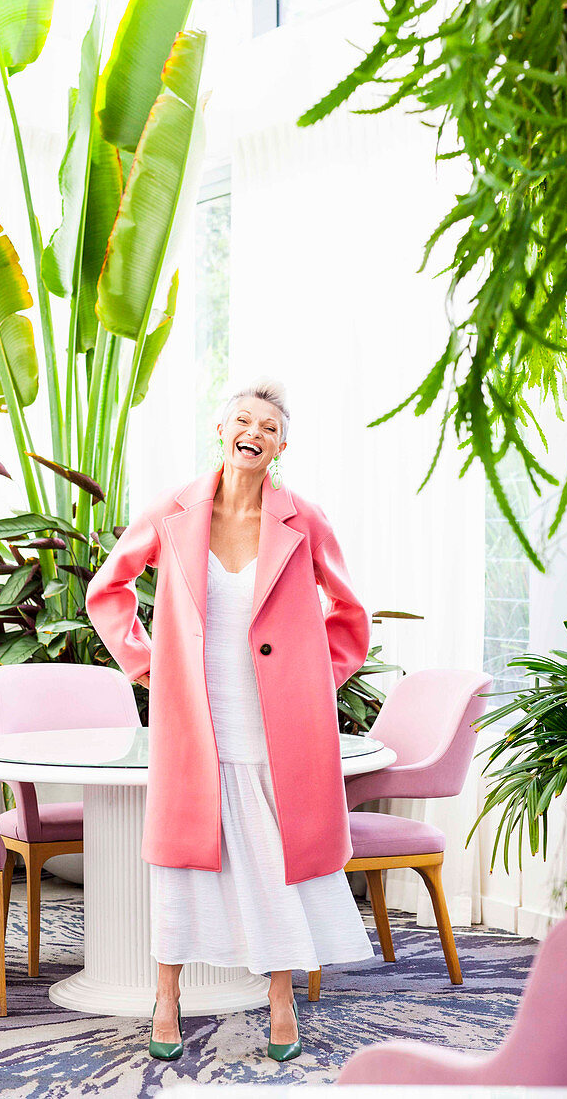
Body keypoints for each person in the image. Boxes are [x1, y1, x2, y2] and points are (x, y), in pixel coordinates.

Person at [85, 377, 374, 1062]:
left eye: (268, 426)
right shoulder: (173, 510)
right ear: (222, 430)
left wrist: (313, 680)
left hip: (278, 727)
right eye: (243, 420)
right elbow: (109, 590)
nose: (254, 432)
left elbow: (349, 615)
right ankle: (166, 996)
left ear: (281, 445)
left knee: (278, 861)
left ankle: (279, 997)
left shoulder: (303, 519)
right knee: (183, 862)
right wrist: (144, 664)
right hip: (195, 716)